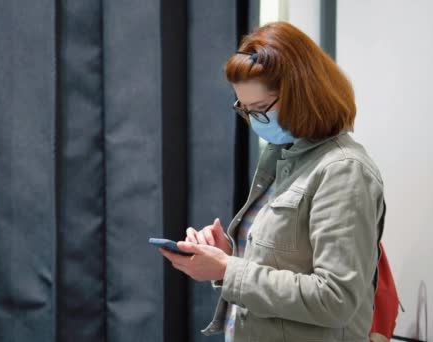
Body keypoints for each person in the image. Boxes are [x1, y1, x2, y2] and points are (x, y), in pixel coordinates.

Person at [158, 21, 386, 342]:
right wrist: (228, 255)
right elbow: (286, 265)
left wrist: (227, 270)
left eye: (262, 108)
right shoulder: (282, 155)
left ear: (305, 93)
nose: (255, 122)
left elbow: (336, 298)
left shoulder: (343, 170)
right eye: (246, 110)